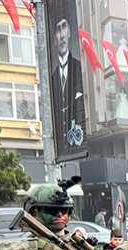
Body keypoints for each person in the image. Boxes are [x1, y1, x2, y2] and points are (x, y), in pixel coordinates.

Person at [50, 9, 86, 158]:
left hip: (79, 145)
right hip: (60, 150)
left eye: (64, 27)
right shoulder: (52, 79)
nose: (62, 35)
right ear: (54, 38)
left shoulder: (79, 69)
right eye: (58, 30)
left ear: (70, 32)